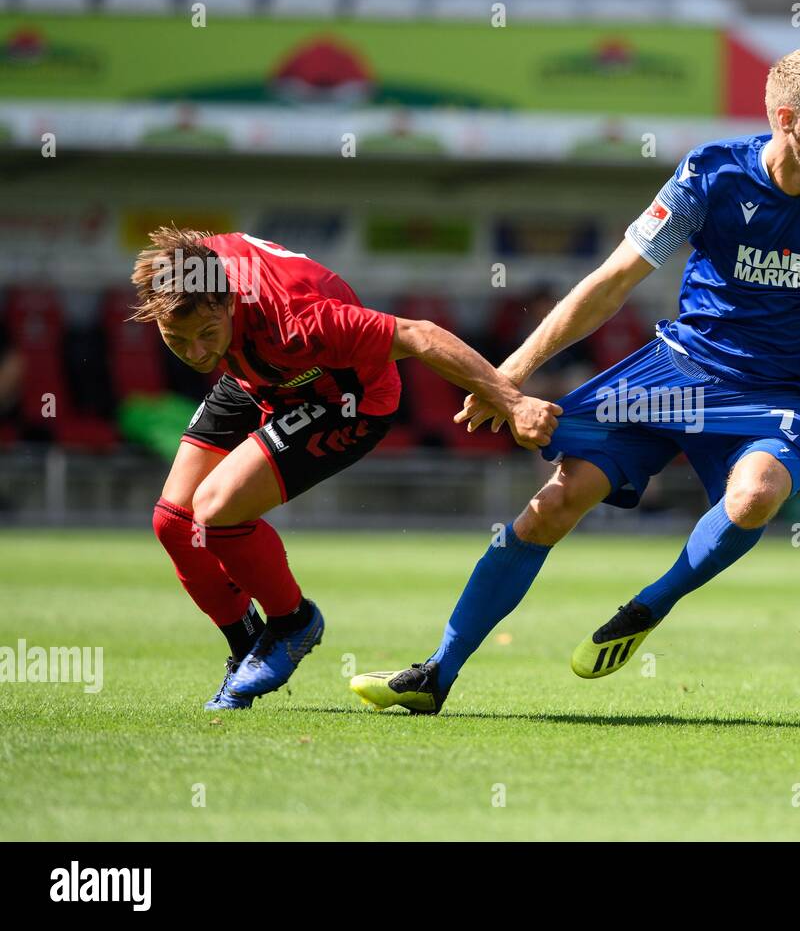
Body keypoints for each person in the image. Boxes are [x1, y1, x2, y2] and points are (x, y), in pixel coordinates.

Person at [351, 48, 800, 715]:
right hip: (680, 369)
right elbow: (613, 283)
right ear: (788, 119)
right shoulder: (711, 176)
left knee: (757, 495)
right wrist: (511, 374)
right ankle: (436, 673)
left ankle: (651, 603)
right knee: (558, 502)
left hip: (783, 393)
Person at [133, 227, 559, 710]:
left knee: (215, 509)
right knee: (172, 522)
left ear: (229, 301)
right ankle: (247, 649)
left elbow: (421, 334)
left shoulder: (299, 320)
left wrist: (513, 402)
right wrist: (212, 339)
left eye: (206, 335)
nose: (195, 354)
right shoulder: (190, 271)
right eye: (175, 339)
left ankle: (293, 622)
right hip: (258, 376)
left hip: (346, 399)